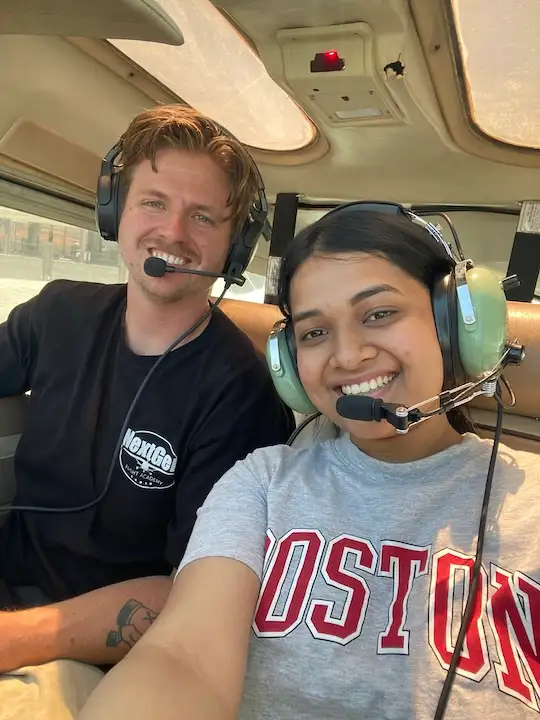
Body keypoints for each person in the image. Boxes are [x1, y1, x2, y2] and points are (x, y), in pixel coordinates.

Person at [79, 204, 539, 720]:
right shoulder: (262, 481)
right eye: (315, 332)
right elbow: (181, 656)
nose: (347, 356)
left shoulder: (532, 500)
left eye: (379, 313)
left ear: (453, 322)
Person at [0, 104, 295, 674]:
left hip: (93, 656)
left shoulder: (242, 393)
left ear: (236, 247)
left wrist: (13, 641)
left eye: (203, 217)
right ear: (116, 211)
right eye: (153, 203)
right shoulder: (57, 311)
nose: (173, 233)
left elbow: (194, 590)